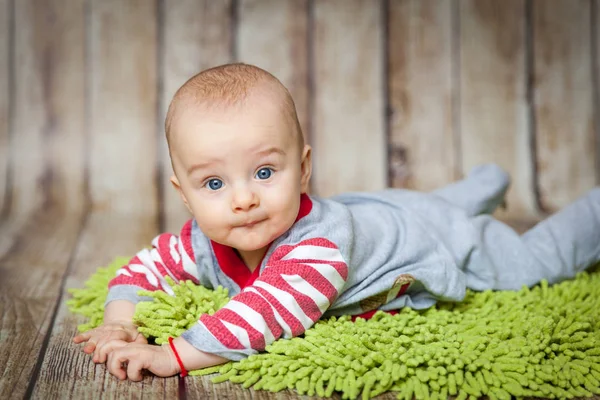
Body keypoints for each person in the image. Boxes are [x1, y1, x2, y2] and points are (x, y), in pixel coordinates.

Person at [73, 63, 600, 382]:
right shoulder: (201, 242)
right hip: (381, 211)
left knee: (532, 261)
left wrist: (174, 356)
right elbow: (139, 270)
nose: (243, 199)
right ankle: (484, 185)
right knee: (418, 205)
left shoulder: (318, 250)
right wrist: (119, 321)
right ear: (184, 196)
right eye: (213, 183)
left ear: (303, 169)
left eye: (264, 171)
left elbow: (266, 313)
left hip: (430, 239)